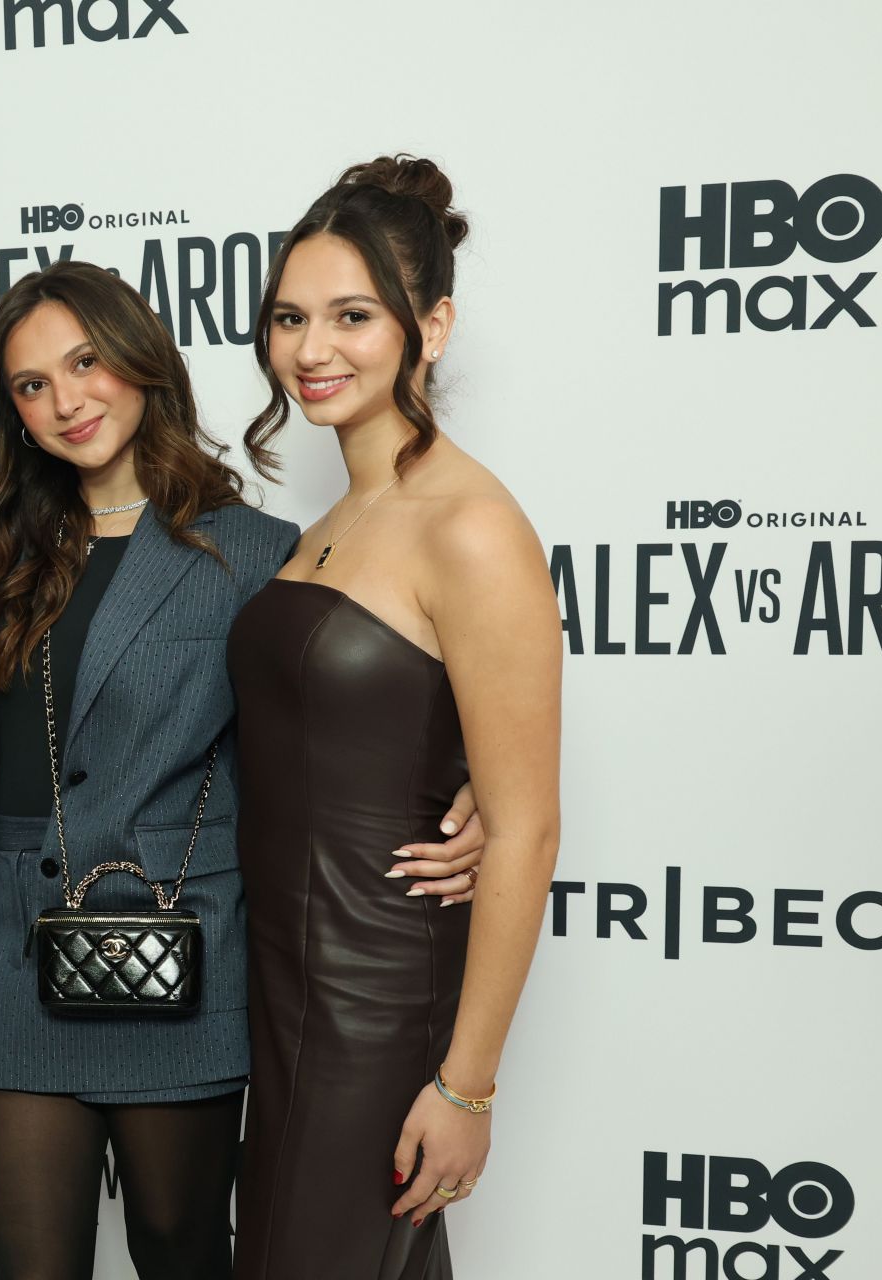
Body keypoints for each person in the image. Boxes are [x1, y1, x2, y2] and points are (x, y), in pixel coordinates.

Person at [0, 261, 486, 1280]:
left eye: (87, 362)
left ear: (143, 363)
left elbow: (354, 702)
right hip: (11, 956)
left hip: (175, 950)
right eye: (32, 384)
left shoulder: (258, 552)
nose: (67, 399)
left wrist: (475, 787)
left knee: (181, 1252)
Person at [226, 156, 562, 1279]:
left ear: (433, 325)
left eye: (352, 316)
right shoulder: (335, 517)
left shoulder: (469, 523)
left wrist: (465, 1083)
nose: (312, 350)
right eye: (289, 317)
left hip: (375, 1010)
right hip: (284, 995)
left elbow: (524, 828)